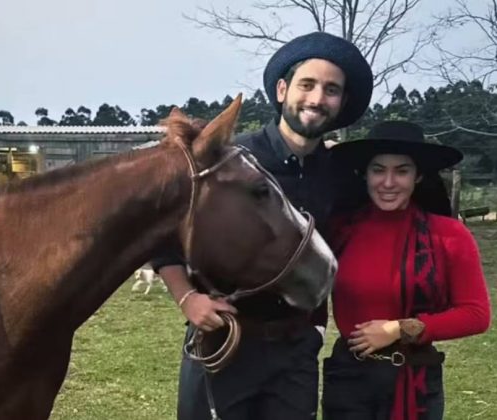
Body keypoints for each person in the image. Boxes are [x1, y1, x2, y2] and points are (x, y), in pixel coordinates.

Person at [151, 31, 373, 420]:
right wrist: (188, 299)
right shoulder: (231, 161)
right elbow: (165, 238)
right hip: (224, 341)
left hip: (296, 350)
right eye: (307, 85)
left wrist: (319, 328)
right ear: (283, 90)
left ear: (342, 103)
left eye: (331, 90)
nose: (318, 99)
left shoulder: (342, 175)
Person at [322, 121, 492, 420]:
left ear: (419, 176)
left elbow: (476, 315)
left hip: (415, 381)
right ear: (364, 174)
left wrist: (398, 329)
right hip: (348, 380)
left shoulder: (449, 235)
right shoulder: (340, 231)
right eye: (378, 170)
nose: (388, 182)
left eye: (401, 170)